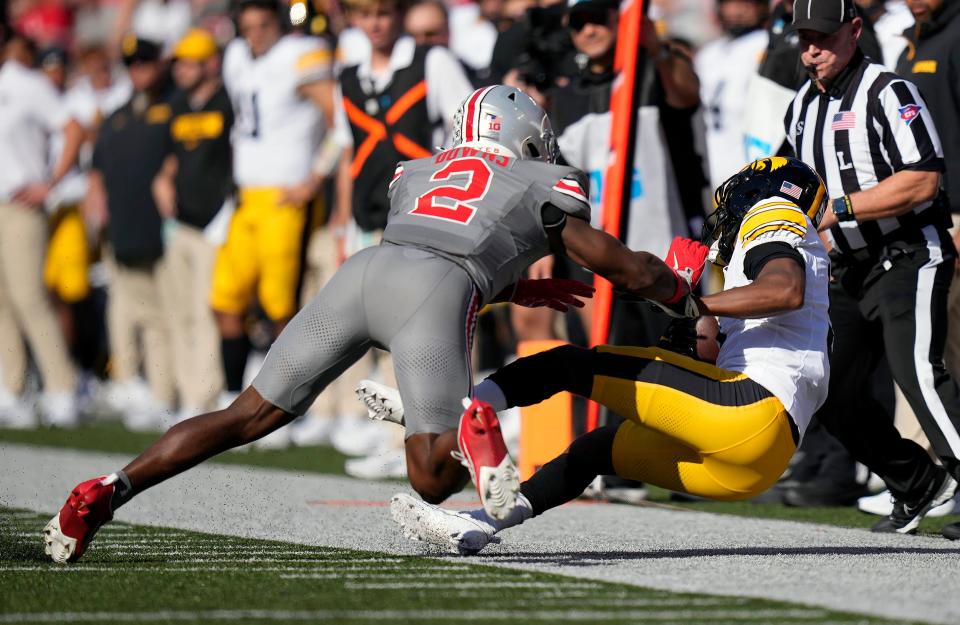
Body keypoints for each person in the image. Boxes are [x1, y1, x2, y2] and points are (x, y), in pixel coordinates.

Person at [43, 85, 707, 565]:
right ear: (524, 135)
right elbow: (619, 266)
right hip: (436, 290)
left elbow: (443, 238)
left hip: (366, 273)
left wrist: (514, 288)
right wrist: (678, 290)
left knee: (244, 413)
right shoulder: (543, 179)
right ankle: (474, 439)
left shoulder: (418, 170)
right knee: (430, 476)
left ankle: (107, 490)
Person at [366, 155, 833, 555]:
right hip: (758, 461)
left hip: (750, 410)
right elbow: (704, 354)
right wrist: (686, 311)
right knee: (594, 451)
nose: (727, 217)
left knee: (570, 364)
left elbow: (784, 290)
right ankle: (479, 524)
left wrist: (689, 301)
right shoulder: (791, 276)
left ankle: (452, 413)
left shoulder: (774, 212)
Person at [784, 0, 959, 534]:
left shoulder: (889, 90)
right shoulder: (799, 109)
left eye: (825, 36)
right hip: (849, 266)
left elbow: (923, 180)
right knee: (827, 389)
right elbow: (794, 183)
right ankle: (916, 482)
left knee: (919, 376)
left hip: (909, 253)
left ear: (855, 31)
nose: (813, 49)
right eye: (805, 37)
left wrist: (840, 210)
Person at [213, 0, 339, 441]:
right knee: (225, 301)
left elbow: (339, 121)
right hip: (247, 197)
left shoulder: (299, 54)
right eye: (248, 27)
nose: (256, 34)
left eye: (263, 25)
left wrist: (313, 180)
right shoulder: (235, 57)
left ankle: (282, 406)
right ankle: (230, 399)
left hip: (285, 198)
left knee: (280, 309)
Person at [87, 35, 178, 431]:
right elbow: (97, 167)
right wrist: (95, 201)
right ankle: (135, 384)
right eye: (132, 64)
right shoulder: (118, 114)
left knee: (161, 316)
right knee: (131, 313)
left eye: (145, 61)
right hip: (124, 228)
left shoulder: (173, 105)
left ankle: (163, 393)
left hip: (163, 229)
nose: (139, 69)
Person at [895, 0, 960, 540]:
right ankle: (933, 471)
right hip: (923, 221)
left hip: (954, 212)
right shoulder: (911, 41)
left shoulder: (956, 35)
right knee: (934, 353)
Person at [0, 31, 83, 429]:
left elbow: (72, 128)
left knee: (30, 298)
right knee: (1, 303)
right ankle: (13, 389)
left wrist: (49, 181)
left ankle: (62, 388)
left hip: (19, 204)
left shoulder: (26, 82)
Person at [153, 28, 233, 421]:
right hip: (180, 223)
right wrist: (163, 179)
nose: (181, 70)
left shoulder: (228, 101)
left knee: (206, 311)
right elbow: (171, 158)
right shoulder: (178, 104)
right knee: (180, 311)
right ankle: (187, 395)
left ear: (210, 63)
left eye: (189, 62)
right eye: (179, 62)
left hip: (215, 223)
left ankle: (204, 396)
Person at [695, 0, 769, 190]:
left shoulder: (767, 44)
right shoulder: (709, 53)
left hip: (752, 166)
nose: (736, 11)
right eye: (730, 3)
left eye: (745, 3)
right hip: (712, 165)